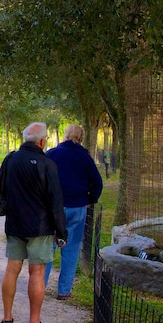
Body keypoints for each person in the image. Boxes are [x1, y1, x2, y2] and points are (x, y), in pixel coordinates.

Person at [0, 122, 66, 323]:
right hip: (40, 227)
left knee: (11, 270)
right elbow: (55, 201)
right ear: (42, 141)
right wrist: (61, 232)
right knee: (37, 273)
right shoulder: (47, 164)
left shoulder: (10, 160)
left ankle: (7, 319)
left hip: (15, 225)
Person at [44, 124, 104, 300]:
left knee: (48, 247)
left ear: (65, 135)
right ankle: (64, 290)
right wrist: (90, 200)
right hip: (77, 207)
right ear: (81, 137)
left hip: (54, 207)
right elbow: (97, 182)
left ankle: (40, 286)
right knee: (70, 249)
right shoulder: (84, 157)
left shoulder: (52, 153)